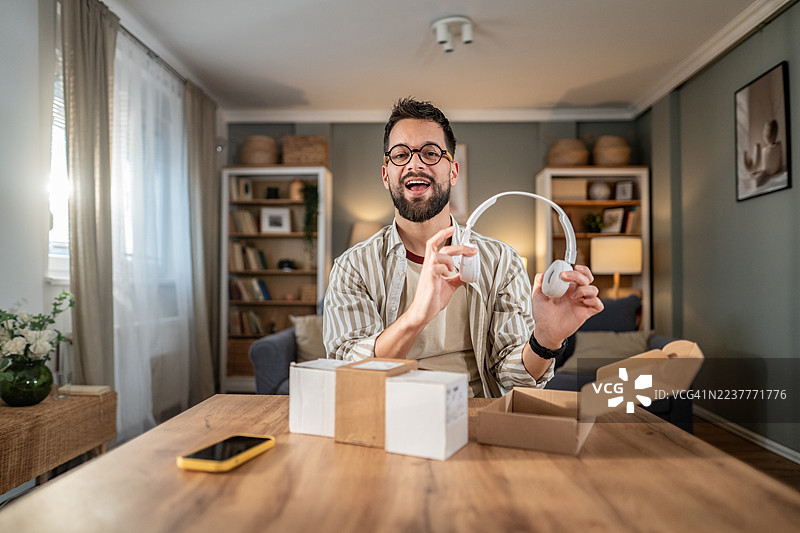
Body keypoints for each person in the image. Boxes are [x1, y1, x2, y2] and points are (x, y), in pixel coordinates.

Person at [323, 98, 603, 397]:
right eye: (401, 155)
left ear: (453, 172)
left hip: (476, 412)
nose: (415, 164)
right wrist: (417, 315)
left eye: (430, 153)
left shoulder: (502, 261)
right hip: (388, 410)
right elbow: (349, 373)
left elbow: (514, 381)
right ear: (386, 175)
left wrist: (545, 340)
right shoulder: (352, 267)